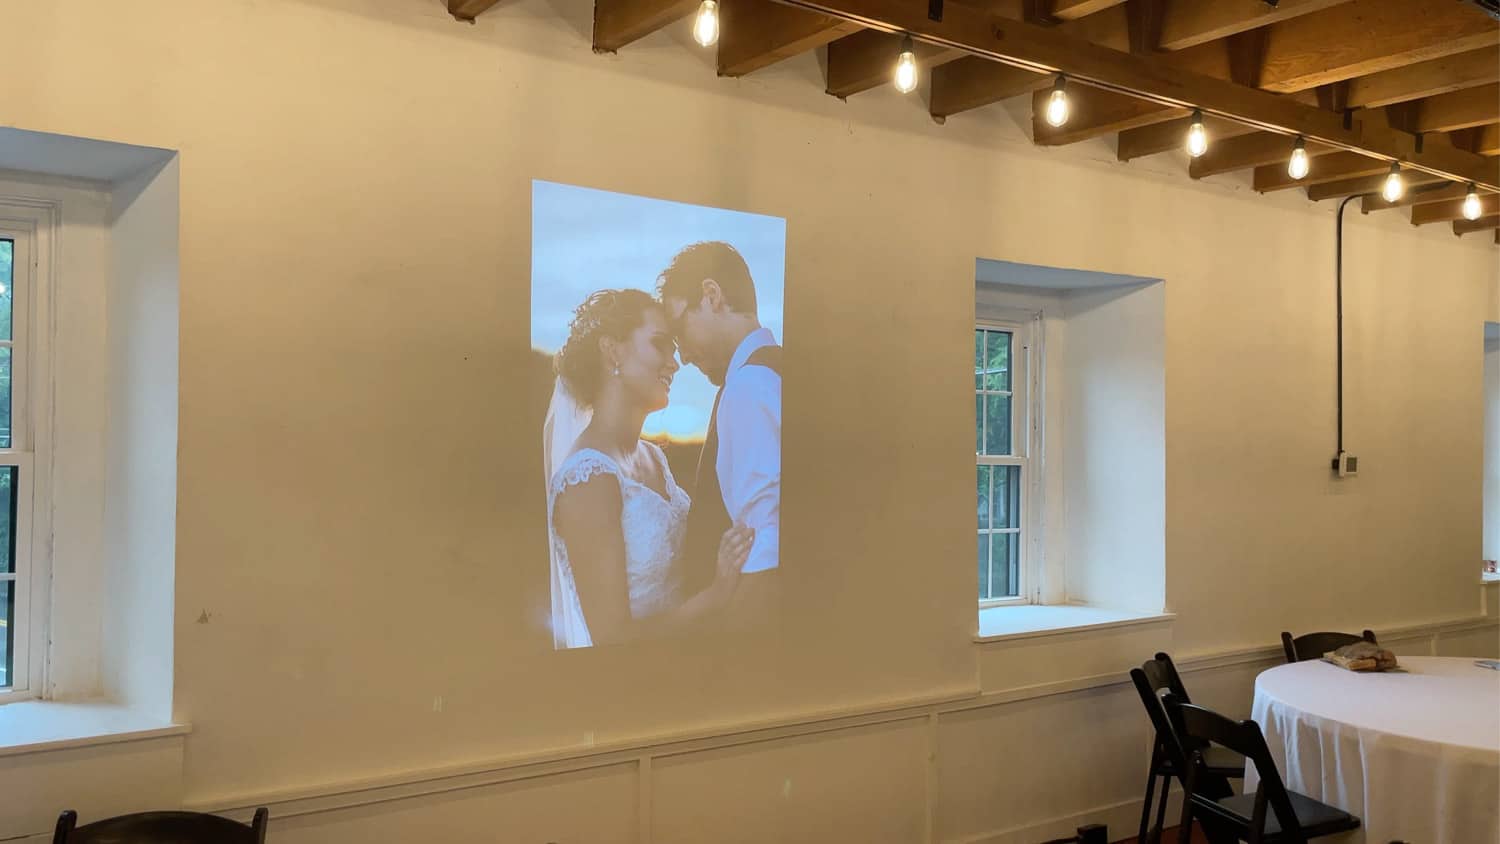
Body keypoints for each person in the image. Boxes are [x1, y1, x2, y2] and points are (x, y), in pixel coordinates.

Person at [544, 288, 752, 649]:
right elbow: (611, 638)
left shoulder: (654, 459)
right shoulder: (588, 479)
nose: (674, 363)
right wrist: (714, 596)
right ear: (612, 350)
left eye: (674, 349)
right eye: (660, 345)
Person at [656, 242, 781, 612]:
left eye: (680, 331)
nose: (683, 356)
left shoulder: (748, 386)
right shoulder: (774, 371)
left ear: (712, 296)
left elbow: (766, 557)